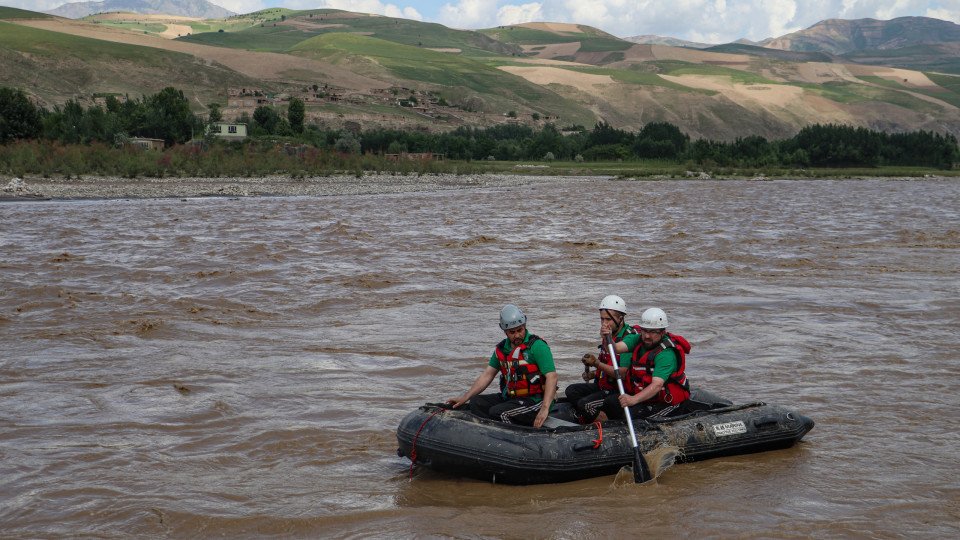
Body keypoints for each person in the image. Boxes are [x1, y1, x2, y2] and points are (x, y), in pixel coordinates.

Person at [447, 304, 558, 428]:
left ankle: (513, 439)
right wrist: (465, 397)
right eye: (512, 332)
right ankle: (486, 435)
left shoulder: (537, 346)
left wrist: (545, 408)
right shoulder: (501, 349)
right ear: (504, 331)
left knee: (500, 413)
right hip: (512, 398)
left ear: (525, 326)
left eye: (520, 330)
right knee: (476, 402)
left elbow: (552, 377)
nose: (517, 335)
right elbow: (487, 375)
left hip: (535, 400)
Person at [600, 307, 692, 420]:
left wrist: (633, 400)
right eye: (645, 330)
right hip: (647, 398)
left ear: (663, 332)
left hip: (667, 403)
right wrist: (607, 337)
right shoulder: (639, 339)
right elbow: (615, 349)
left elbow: (657, 385)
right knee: (610, 403)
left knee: (634, 414)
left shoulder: (666, 354)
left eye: (653, 332)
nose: (647, 336)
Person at [564, 295, 635, 423]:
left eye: (608, 319)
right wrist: (592, 374)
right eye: (602, 319)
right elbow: (606, 363)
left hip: (618, 390)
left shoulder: (627, 339)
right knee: (571, 391)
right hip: (604, 386)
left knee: (585, 404)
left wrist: (596, 363)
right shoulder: (608, 334)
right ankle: (592, 416)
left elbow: (622, 373)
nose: (604, 323)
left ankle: (606, 423)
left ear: (620, 318)